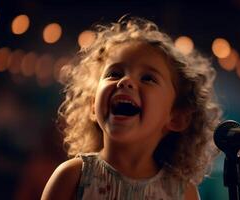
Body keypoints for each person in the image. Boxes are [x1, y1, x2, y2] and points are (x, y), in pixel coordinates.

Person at [41, 16, 222, 200]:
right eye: (114, 73)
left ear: (176, 117)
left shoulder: (183, 193)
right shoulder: (72, 177)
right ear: (93, 106)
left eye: (148, 78)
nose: (125, 81)